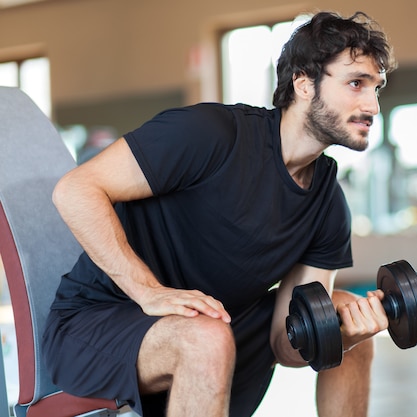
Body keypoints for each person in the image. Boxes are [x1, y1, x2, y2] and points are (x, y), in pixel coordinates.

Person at [42, 10, 396, 417]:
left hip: (217, 327)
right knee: (205, 338)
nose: (372, 105)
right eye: (356, 84)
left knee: (339, 319)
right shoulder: (211, 133)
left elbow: (285, 342)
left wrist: (341, 335)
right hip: (98, 325)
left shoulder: (328, 204)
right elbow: (75, 190)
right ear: (303, 83)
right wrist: (148, 291)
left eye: (377, 89)